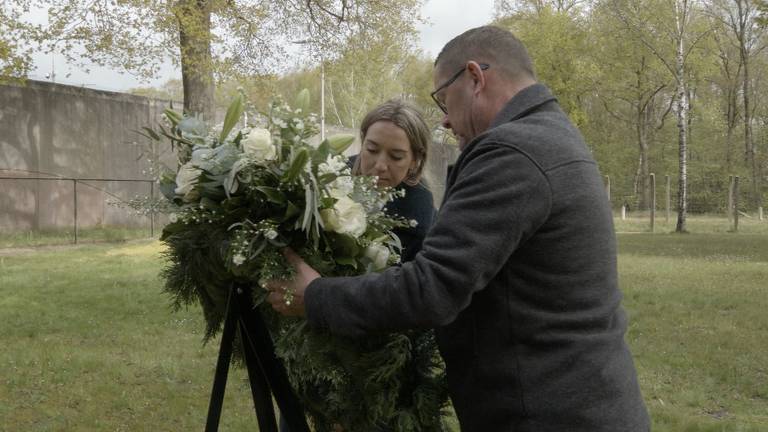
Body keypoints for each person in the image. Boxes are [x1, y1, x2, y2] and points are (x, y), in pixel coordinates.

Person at [267, 26, 650, 431]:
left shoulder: (512, 152)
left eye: (444, 100)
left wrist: (316, 296)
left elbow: (431, 289)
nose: (446, 120)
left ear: (475, 77)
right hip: (583, 402)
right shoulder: (551, 135)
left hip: (546, 412)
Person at [279, 99, 437, 431]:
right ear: (361, 141)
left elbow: (404, 295)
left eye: (396, 157)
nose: (379, 165)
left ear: (415, 161)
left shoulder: (418, 210)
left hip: (374, 342)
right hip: (309, 326)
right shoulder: (329, 179)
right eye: (372, 149)